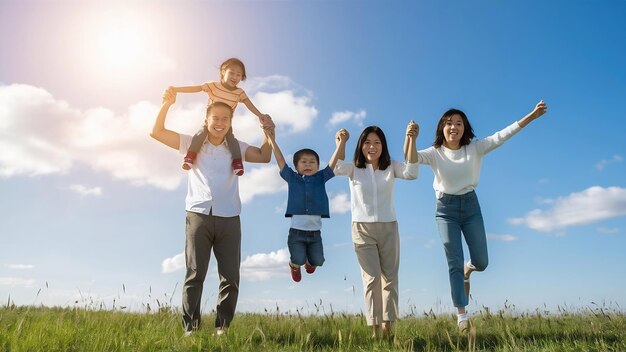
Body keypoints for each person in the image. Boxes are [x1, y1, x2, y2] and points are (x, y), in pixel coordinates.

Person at [150, 87, 273, 336]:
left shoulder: (236, 147)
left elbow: (263, 156)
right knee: (195, 273)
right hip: (198, 215)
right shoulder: (190, 143)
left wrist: (268, 133)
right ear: (206, 121)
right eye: (215, 118)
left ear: (230, 123)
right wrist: (167, 104)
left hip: (229, 218)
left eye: (225, 119)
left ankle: (222, 329)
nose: (219, 123)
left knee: (230, 277)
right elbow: (157, 132)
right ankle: (191, 329)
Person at [416, 100, 548, 331]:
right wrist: (410, 138)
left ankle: (470, 270)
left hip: (470, 207)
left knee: (482, 262)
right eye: (449, 123)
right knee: (453, 261)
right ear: (441, 128)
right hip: (445, 210)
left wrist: (531, 116)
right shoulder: (434, 153)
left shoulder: (475, 148)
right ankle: (462, 315)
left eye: (459, 123)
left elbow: (503, 135)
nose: (453, 127)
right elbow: (411, 159)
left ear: (465, 128)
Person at [333, 122, 419, 337]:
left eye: (377, 142)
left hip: (389, 227)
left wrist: (411, 139)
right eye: (367, 142)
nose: (372, 147)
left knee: (389, 278)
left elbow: (412, 172)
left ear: (383, 145)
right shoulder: (354, 167)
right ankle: (374, 329)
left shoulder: (391, 166)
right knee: (371, 279)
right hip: (361, 228)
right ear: (361, 145)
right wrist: (341, 142)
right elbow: (335, 167)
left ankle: (387, 325)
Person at [263, 128, 341, 282]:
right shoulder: (292, 178)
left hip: (315, 234)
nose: (308, 165)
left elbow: (332, 164)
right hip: (296, 234)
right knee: (298, 259)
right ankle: (294, 265)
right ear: (296, 166)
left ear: (318, 166)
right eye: (303, 162)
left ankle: (309, 262)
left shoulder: (321, 178)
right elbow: (280, 161)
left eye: (312, 162)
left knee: (318, 261)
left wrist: (341, 144)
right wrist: (272, 141)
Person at [171, 57, 270, 175]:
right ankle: (190, 156)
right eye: (231, 73)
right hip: (211, 122)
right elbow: (196, 88)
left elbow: (249, 105)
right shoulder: (213, 86)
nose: (235, 77)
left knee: (231, 140)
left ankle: (237, 162)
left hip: (226, 124)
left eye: (238, 75)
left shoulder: (239, 93)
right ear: (223, 72)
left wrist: (260, 115)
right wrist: (176, 89)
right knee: (200, 135)